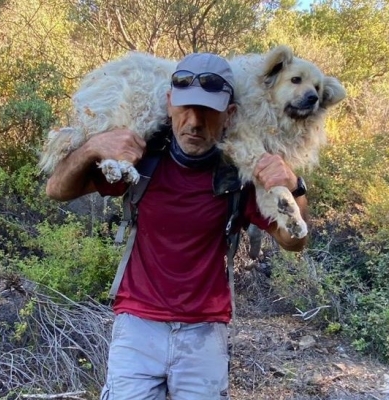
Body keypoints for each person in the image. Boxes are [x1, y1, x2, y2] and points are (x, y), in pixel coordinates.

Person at [45, 52, 308, 400]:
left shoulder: (238, 175)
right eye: (185, 107)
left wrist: (293, 185)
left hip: (204, 332)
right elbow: (58, 190)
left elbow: (293, 241)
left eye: (208, 111)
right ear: (169, 104)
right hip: (137, 326)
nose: (194, 122)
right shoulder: (143, 162)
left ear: (229, 115)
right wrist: (94, 147)